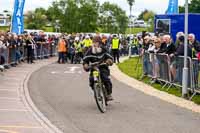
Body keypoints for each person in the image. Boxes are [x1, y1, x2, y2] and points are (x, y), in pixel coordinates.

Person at [83, 36, 114, 101]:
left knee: (106, 79)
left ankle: (108, 94)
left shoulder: (104, 49)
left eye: (96, 42)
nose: (94, 44)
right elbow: (85, 60)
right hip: (94, 68)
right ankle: (97, 92)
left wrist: (109, 61)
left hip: (103, 67)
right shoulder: (90, 51)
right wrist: (86, 66)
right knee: (91, 80)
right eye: (93, 42)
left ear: (99, 43)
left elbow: (110, 57)